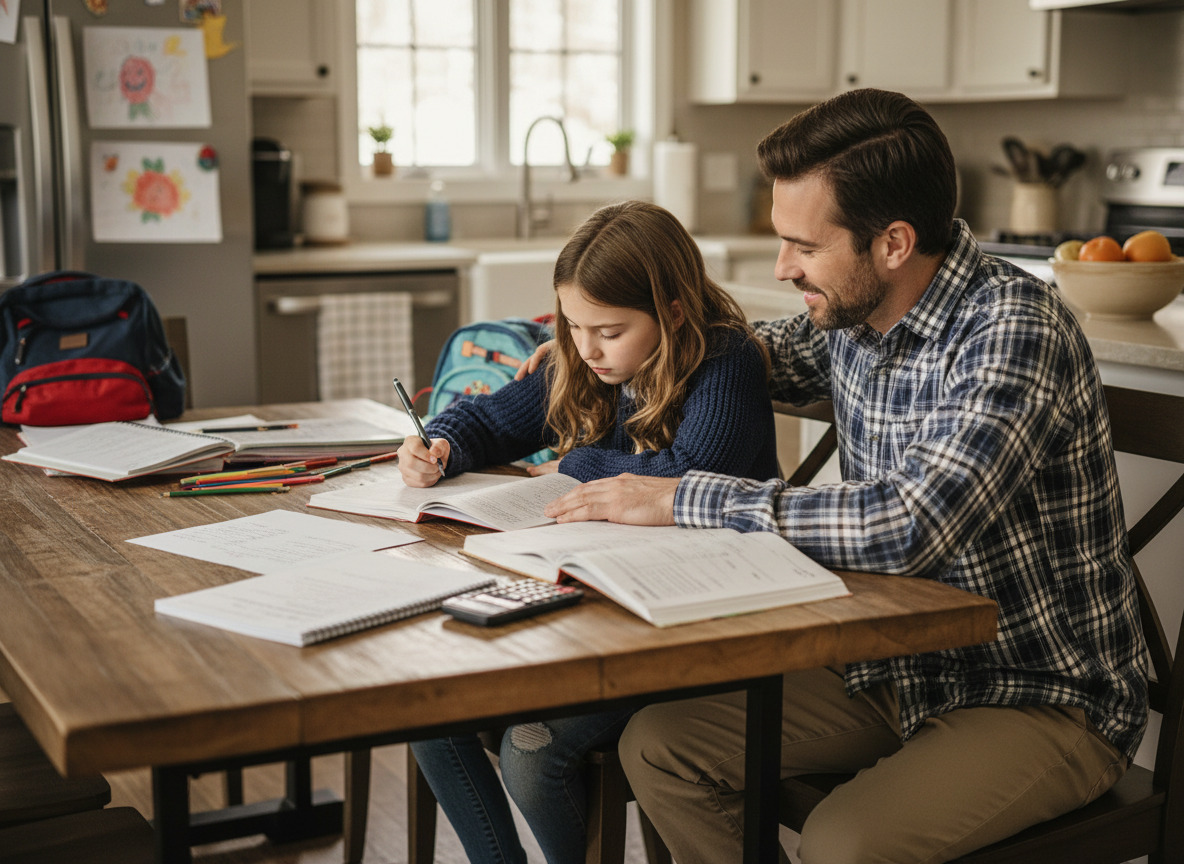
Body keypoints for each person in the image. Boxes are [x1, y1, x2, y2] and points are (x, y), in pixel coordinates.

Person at [542, 89, 1149, 864]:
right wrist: (588, 347)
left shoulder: (1011, 329)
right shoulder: (856, 316)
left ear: (892, 243)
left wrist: (682, 497)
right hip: (891, 660)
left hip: (1037, 692)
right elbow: (744, 355)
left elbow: (910, 527)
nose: (782, 266)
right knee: (661, 747)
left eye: (803, 245)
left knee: (841, 845)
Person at [400, 199, 779, 864]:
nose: (586, 348)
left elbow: (685, 475)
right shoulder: (582, 358)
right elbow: (490, 420)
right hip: (591, 603)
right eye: (571, 325)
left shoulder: (726, 362)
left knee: (530, 749)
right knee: (425, 710)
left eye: (608, 330)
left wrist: (575, 464)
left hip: (690, 623)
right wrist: (439, 445)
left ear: (674, 313)